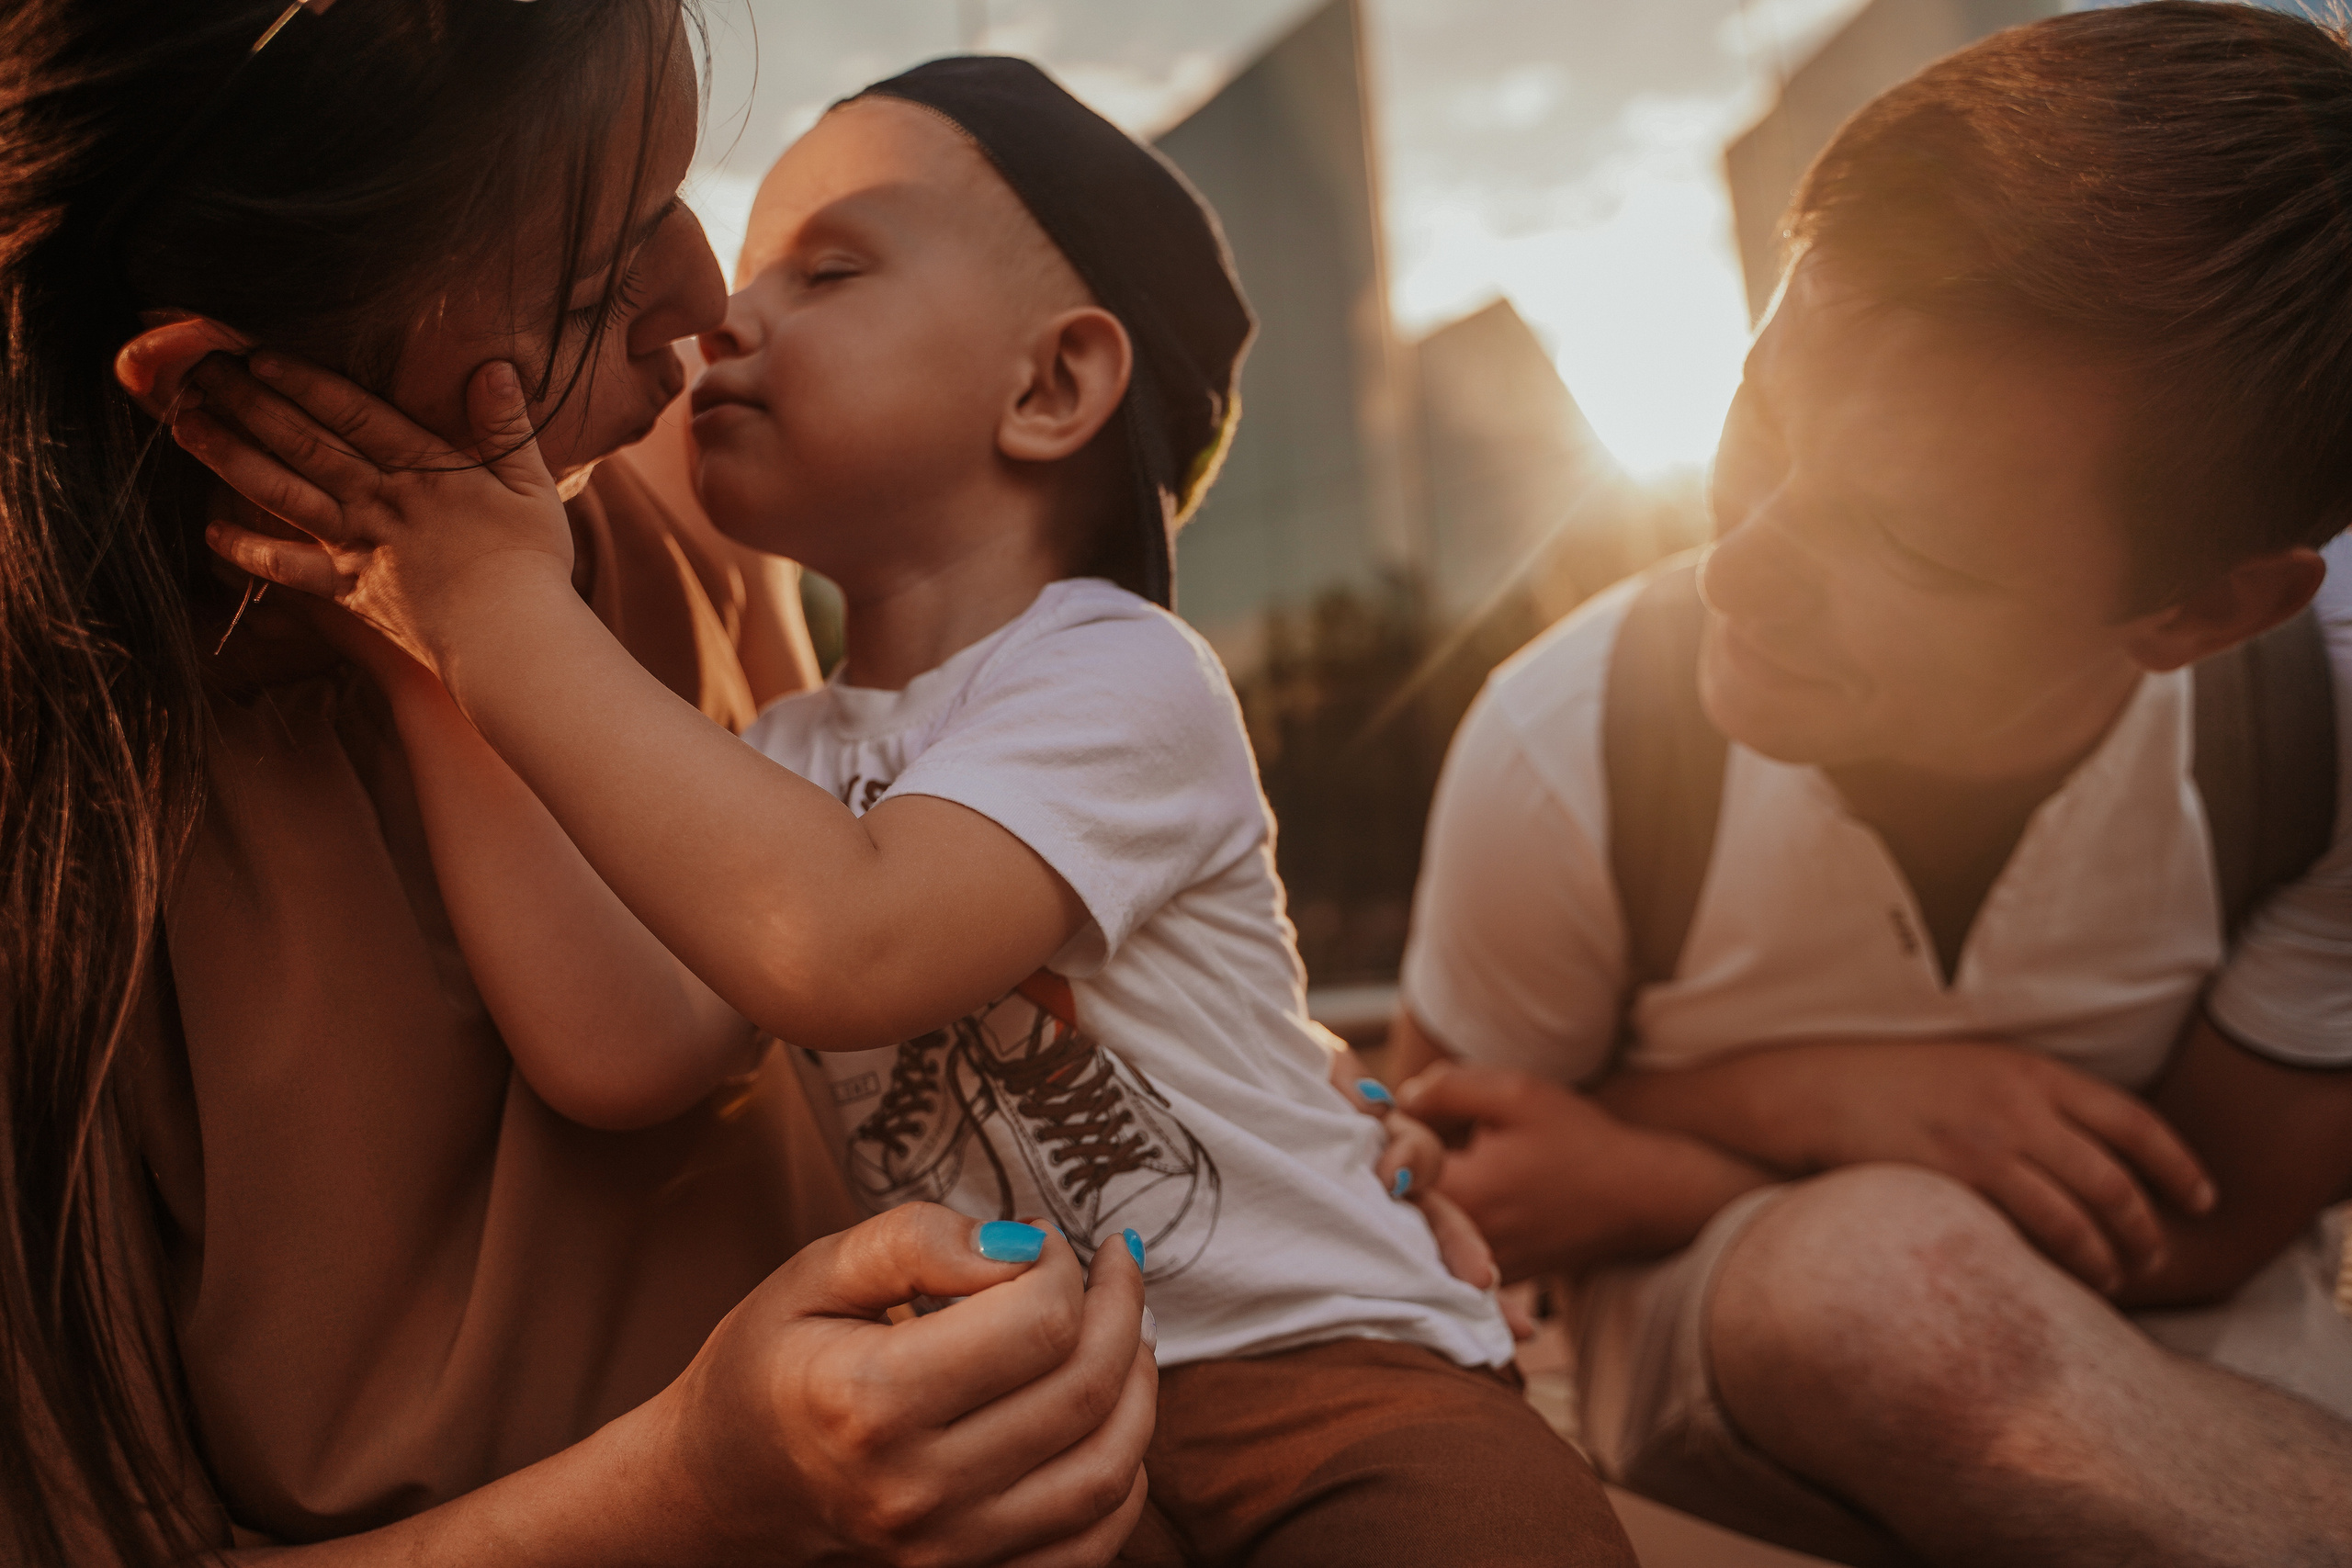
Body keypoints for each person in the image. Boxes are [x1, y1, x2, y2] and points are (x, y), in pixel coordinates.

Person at [176, 55, 1640, 1568]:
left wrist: (498, 615)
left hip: (1326, 1374)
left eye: (830, 269)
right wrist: (431, 665)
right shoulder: (790, 756)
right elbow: (628, 1048)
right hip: (1021, 1413)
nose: (725, 314)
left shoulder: (1123, 677)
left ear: (1051, 383)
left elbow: (849, 940)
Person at [5, 3, 1164, 1562]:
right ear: (216, 378)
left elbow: (869, 976)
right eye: (598, 268)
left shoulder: (636, 534)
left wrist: (1262, 1150)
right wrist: (698, 1485)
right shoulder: (59, 851)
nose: (701, 305)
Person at [1388, 5, 2352, 1563]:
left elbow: (2217, 1216)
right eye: (1760, 412)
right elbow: (1446, 1176)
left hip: (2229, 1377)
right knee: (1890, 1280)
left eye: (1907, 543)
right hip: (1744, 1396)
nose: (1741, 572)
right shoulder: (1570, 744)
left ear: (2205, 612)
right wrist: (1831, 1109)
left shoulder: (2321, 737)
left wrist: (1661, 1156)